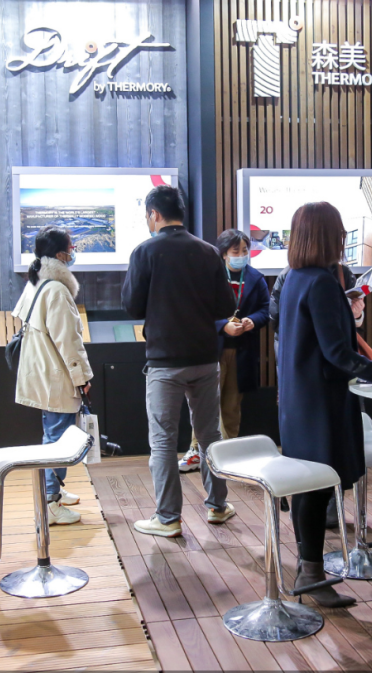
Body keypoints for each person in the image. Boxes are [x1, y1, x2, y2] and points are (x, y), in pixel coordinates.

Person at [278, 201, 372, 608]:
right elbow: (338, 354)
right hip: (322, 401)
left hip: (300, 399)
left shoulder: (295, 278)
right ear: (332, 236)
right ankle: (310, 574)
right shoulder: (322, 283)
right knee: (316, 487)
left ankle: (308, 570)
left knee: (307, 486)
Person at [122, 185, 239, 538]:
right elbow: (225, 306)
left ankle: (168, 518)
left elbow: (132, 306)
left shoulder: (144, 252)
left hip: (164, 361)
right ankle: (218, 506)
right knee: (209, 435)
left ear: (154, 214)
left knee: (163, 441)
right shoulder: (208, 252)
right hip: (205, 358)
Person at [12, 226, 94, 525]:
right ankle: (50, 501)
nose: (74, 251)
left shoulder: (36, 281)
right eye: (71, 247)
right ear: (60, 254)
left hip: (41, 371)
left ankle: (55, 489)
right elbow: (68, 342)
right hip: (57, 375)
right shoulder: (57, 290)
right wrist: (82, 378)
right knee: (58, 439)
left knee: (54, 433)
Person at [178, 229, 270, 472]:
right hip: (211, 350)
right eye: (235, 251)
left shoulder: (256, 278)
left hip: (242, 351)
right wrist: (222, 326)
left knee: (231, 405)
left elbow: (265, 309)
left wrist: (252, 321)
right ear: (223, 254)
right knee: (204, 405)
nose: (241, 255)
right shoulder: (208, 276)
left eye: (244, 250)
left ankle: (227, 455)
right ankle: (197, 452)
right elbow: (197, 311)